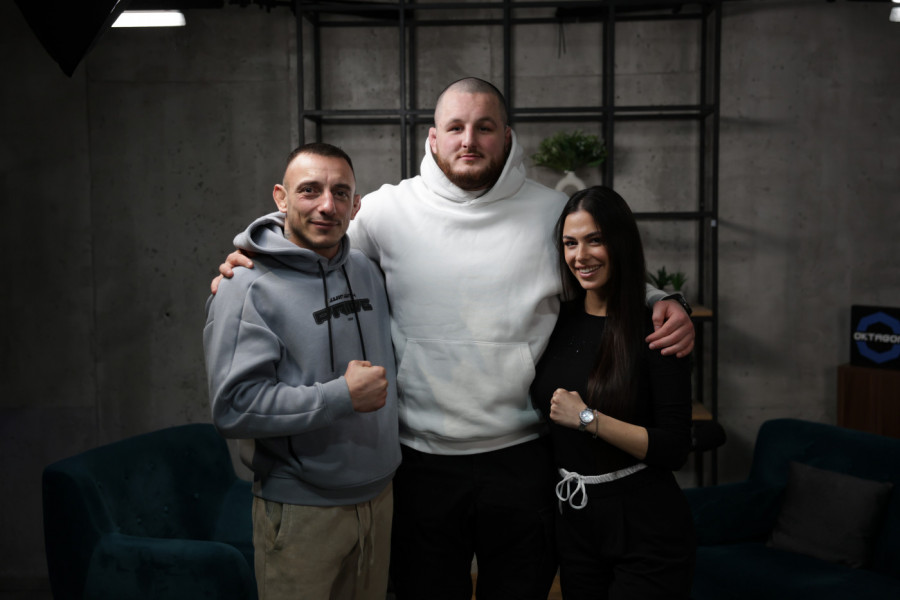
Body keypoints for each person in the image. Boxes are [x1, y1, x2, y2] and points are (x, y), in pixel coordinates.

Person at [212, 78, 695, 599]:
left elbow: (600, 262)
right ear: (433, 138)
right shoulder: (386, 211)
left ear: (506, 137)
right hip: (420, 458)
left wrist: (659, 299)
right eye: (455, 127)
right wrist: (255, 252)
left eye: (484, 128)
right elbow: (317, 226)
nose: (469, 140)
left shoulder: (550, 212)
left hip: (524, 455)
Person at [203, 142, 400, 600]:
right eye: (310, 190)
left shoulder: (367, 270)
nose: (326, 205)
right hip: (301, 509)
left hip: (379, 499)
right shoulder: (245, 286)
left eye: (340, 192)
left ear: (355, 204)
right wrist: (341, 396)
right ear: (281, 197)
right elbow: (233, 408)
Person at [530, 186, 695, 600]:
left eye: (595, 240)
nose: (581, 256)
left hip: (644, 525)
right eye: (570, 243)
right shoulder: (557, 319)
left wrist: (588, 419)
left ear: (620, 242)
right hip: (575, 521)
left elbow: (674, 447)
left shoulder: (658, 326)